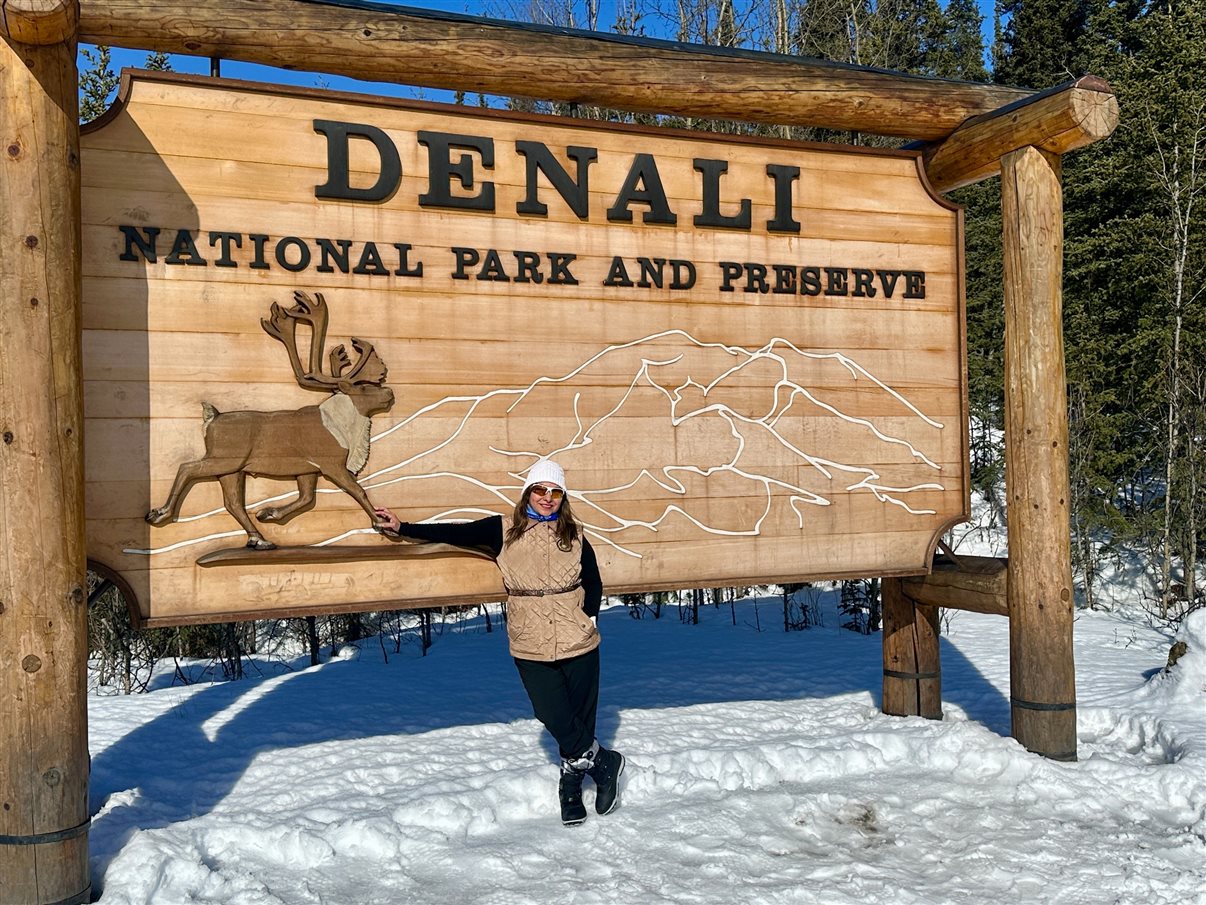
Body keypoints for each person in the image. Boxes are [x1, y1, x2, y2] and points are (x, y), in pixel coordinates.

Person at [373, 459, 625, 826]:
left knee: (581, 717)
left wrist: (589, 618)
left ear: (563, 497)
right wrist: (404, 528)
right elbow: (453, 533)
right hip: (529, 638)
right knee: (550, 711)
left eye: (555, 492)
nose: (547, 498)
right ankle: (604, 762)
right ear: (527, 493)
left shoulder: (575, 533)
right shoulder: (503, 530)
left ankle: (570, 786)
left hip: (578, 637)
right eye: (540, 490)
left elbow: (594, 581)